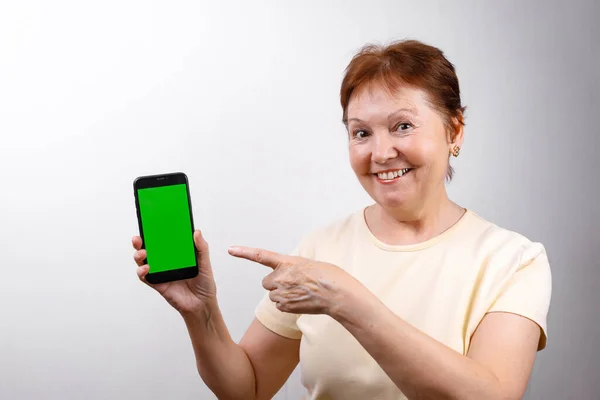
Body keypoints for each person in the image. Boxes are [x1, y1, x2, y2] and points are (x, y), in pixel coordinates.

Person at [132, 39, 552, 400]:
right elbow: (248, 387)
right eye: (361, 133)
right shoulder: (321, 248)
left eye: (402, 126)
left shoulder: (513, 261)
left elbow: (491, 394)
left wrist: (346, 299)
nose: (380, 153)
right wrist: (201, 311)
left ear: (454, 131)